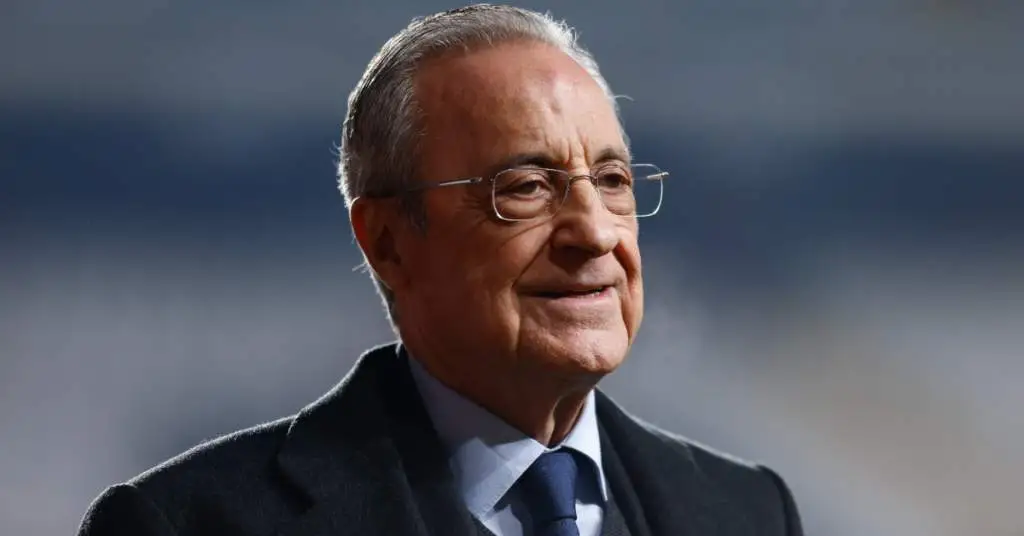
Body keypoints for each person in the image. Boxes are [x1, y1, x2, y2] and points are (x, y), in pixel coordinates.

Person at [78, 4, 803, 536]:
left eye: (612, 181)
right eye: (527, 187)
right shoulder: (188, 524)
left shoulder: (748, 513)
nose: (593, 232)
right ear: (389, 242)